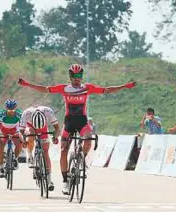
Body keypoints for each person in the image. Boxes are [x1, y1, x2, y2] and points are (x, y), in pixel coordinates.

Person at [18, 63, 136, 195]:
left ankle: (82, 158)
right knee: (63, 150)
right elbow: (45, 89)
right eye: (74, 76)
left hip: (82, 121)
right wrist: (28, 84)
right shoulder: (65, 88)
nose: (77, 78)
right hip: (69, 122)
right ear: (70, 76)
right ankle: (65, 182)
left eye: (79, 75)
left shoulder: (87, 88)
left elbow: (107, 90)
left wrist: (125, 86)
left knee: (88, 139)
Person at [19, 105, 60, 191]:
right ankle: (30, 156)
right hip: (30, 126)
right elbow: (21, 131)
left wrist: (55, 137)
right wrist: (24, 141)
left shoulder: (48, 112)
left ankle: (49, 180)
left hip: (43, 127)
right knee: (30, 135)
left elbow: (57, 128)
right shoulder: (26, 113)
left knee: (45, 152)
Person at [0, 99, 23, 178]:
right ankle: (1, 168)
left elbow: (22, 127)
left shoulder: (19, 114)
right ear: (6, 108)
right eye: (9, 109)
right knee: (0, 148)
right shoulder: (1, 114)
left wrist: (23, 138)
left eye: (13, 109)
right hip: (3, 131)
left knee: (19, 144)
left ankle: (16, 159)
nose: (11, 111)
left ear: (16, 107)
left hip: (14, 130)